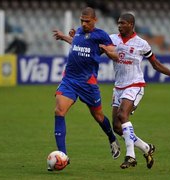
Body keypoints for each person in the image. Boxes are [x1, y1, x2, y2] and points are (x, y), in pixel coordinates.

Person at [100, 13, 170, 169]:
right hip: (118, 87)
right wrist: (75, 39)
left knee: (123, 115)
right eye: (118, 23)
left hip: (135, 85)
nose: (119, 25)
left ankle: (130, 156)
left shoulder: (142, 44)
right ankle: (146, 148)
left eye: (123, 23)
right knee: (117, 126)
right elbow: (93, 49)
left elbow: (156, 65)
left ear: (131, 24)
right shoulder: (112, 39)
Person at [50, 7, 120, 170]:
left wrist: (106, 51)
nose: (84, 23)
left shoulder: (101, 35)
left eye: (87, 21)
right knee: (59, 111)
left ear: (95, 20)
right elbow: (77, 44)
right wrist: (64, 37)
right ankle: (62, 156)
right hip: (70, 80)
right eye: (82, 20)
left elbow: (115, 54)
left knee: (98, 115)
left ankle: (111, 138)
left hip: (88, 83)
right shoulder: (79, 32)